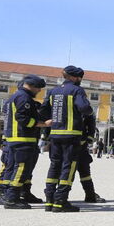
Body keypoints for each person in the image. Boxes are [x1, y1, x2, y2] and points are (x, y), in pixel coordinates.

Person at [41, 66, 95, 212]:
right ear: (74, 77)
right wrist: (89, 110)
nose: (80, 80)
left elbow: (43, 111)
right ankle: (60, 201)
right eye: (80, 78)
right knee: (68, 166)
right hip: (71, 136)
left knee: (54, 166)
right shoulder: (77, 90)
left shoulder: (53, 91)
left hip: (55, 135)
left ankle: (49, 199)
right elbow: (84, 108)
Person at [0, 75, 50, 208]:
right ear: (32, 86)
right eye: (38, 88)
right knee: (21, 168)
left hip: (13, 138)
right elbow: (23, 118)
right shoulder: (24, 98)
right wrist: (43, 124)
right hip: (22, 138)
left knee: (14, 167)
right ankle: (12, 198)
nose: (39, 91)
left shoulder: (14, 96)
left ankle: (10, 194)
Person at [76, 113, 106, 203]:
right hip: (77, 142)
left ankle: (55, 196)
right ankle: (59, 196)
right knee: (82, 170)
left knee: (62, 169)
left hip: (65, 141)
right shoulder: (80, 101)